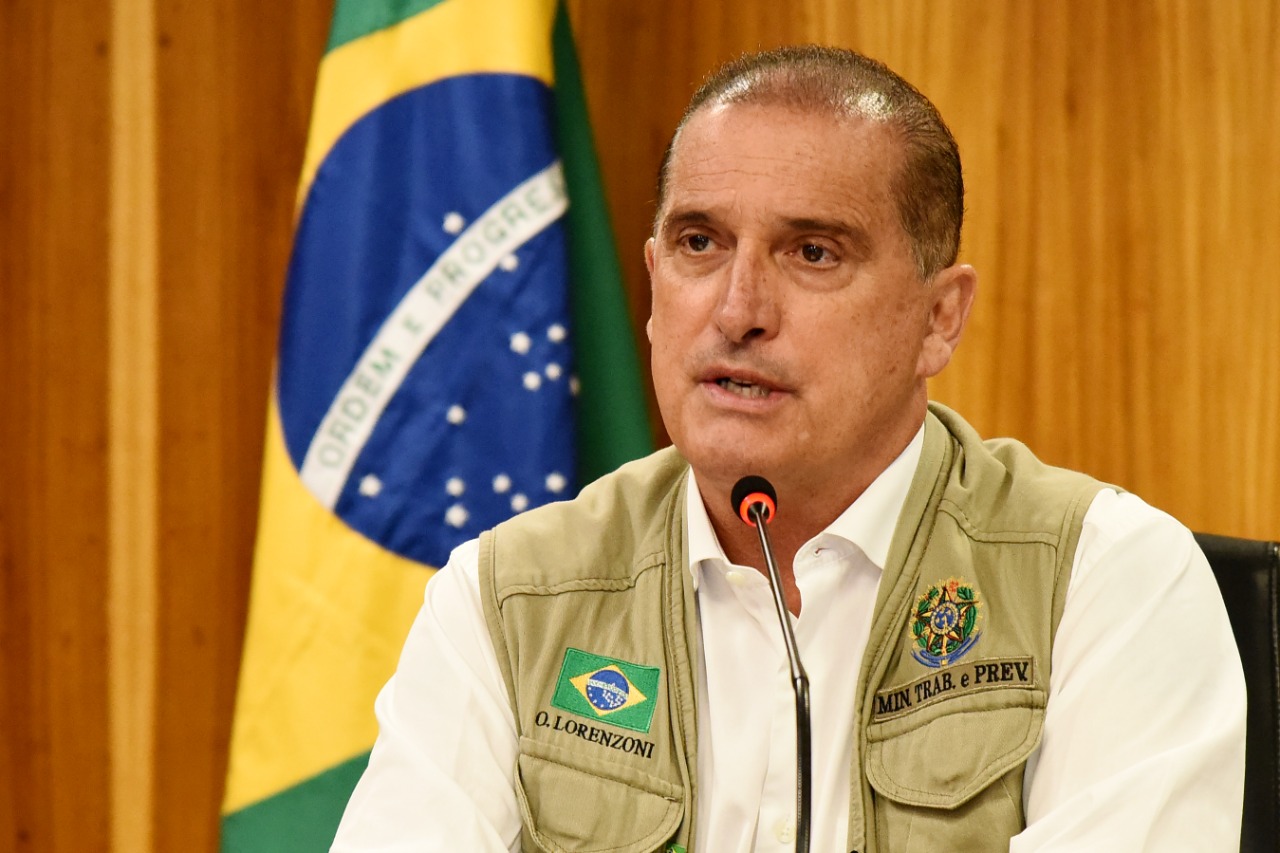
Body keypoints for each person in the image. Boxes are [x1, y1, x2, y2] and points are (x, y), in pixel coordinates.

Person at [331, 46, 1245, 852]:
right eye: (699, 243)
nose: (738, 311)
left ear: (938, 318)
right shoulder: (508, 598)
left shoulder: (1103, 578)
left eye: (813, 253)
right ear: (653, 284)